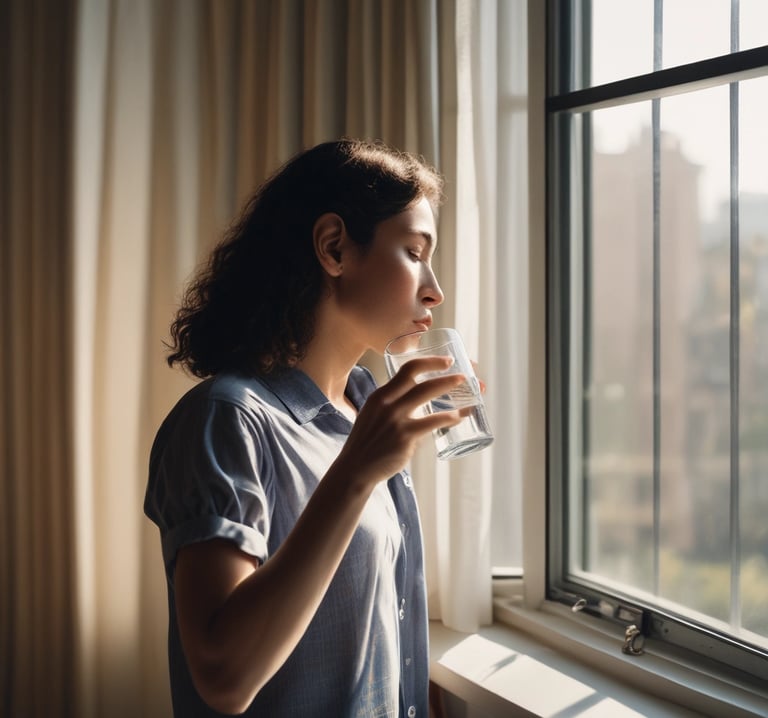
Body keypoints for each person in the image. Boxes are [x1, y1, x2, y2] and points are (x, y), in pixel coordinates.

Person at [144, 139, 468, 717]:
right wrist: (355, 473)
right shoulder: (227, 420)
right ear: (333, 247)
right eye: (414, 252)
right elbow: (224, 677)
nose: (434, 289)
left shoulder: (365, 411)